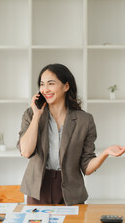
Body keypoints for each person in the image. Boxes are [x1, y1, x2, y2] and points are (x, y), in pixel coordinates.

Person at [17, 63, 125, 206]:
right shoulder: (31, 115)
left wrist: (105, 153)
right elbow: (25, 151)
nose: (45, 89)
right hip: (38, 189)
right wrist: (37, 115)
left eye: (51, 84)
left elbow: (86, 167)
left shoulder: (84, 120)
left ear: (66, 86)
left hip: (71, 192)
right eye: (42, 84)